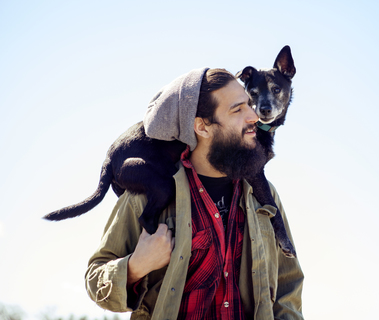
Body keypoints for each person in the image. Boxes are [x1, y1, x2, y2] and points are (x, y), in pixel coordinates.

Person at [85, 67, 304, 320]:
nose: (254, 115)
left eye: (249, 104)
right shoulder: (145, 197)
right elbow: (95, 278)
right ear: (202, 126)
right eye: (238, 109)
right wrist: (135, 267)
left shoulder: (264, 196)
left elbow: (289, 282)